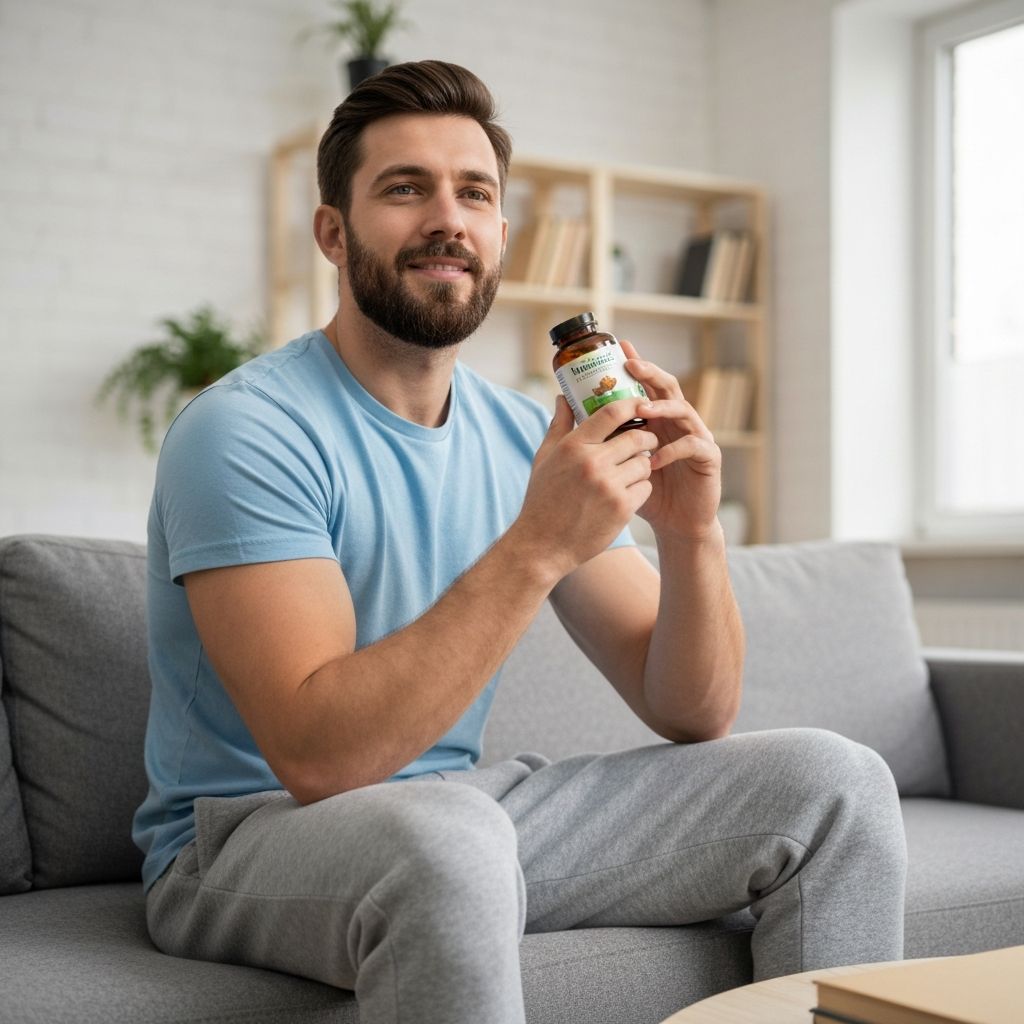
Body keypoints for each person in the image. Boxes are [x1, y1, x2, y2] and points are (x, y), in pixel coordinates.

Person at [133, 60, 907, 1023]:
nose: (446, 218)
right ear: (333, 231)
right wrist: (538, 545)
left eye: (475, 193)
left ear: (500, 235)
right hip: (246, 841)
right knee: (451, 837)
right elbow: (321, 762)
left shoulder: (518, 436)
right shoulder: (245, 429)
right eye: (404, 188)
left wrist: (691, 533)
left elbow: (691, 711)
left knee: (834, 786)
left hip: (462, 815)